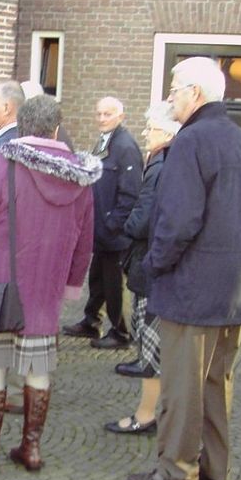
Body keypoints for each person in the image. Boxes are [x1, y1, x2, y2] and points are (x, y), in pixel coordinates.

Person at [126, 57, 241, 480]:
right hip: (234, 292)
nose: (170, 97)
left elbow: (177, 222)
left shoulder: (190, 142)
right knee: (214, 389)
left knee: (182, 391)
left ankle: (175, 474)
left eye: (174, 89)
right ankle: (213, 472)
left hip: (192, 293)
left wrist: (154, 266)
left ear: (196, 94)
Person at [0, 95, 98, 475]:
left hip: (1, 285)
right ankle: (31, 449)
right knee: (38, 368)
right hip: (46, 286)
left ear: (20, 126)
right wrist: (72, 283)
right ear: (54, 129)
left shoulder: (2, 164)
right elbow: (85, 240)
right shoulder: (80, 175)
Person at [104, 103, 180, 436]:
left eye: (151, 128)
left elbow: (143, 214)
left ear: (167, 132)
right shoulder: (167, 161)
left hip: (150, 266)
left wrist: (125, 226)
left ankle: (146, 415)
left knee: (151, 347)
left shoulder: (161, 164)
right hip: (152, 263)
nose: (146, 133)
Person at [62, 96, 143, 349]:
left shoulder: (126, 146)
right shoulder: (105, 141)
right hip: (100, 228)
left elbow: (130, 193)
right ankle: (91, 321)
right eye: (98, 114)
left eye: (107, 114)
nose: (101, 119)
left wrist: (112, 224)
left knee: (114, 283)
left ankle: (121, 333)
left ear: (121, 116)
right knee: (97, 277)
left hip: (113, 231)